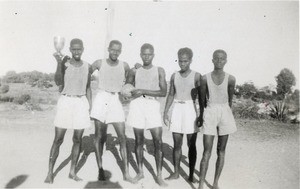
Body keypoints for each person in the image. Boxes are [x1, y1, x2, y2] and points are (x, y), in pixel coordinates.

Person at [44, 38, 92, 184]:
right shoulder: (64, 64)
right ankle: (50, 173)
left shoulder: (87, 66)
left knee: (77, 139)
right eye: (74, 49)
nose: (77, 51)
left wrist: (89, 107)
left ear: (83, 49)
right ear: (70, 49)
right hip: (66, 101)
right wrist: (58, 63)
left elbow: (88, 87)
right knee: (58, 139)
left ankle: (72, 172)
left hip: (81, 102)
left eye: (79, 49)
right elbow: (58, 81)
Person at [90, 40, 133, 182]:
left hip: (115, 99)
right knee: (99, 136)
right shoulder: (98, 63)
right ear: (108, 49)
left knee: (122, 136)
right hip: (101, 97)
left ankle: (126, 173)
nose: (115, 52)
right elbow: (85, 74)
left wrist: (128, 86)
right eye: (113, 49)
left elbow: (131, 75)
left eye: (118, 50)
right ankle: (100, 170)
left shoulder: (124, 65)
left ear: (121, 51)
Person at [126, 43, 168, 187]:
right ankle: (140, 172)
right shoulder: (134, 71)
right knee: (139, 140)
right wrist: (127, 94)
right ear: (140, 54)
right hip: (137, 105)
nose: (146, 56)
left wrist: (142, 90)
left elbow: (163, 92)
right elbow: (127, 89)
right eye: (144, 54)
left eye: (149, 54)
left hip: (152, 105)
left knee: (158, 141)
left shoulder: (159, 70)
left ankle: (159, 175)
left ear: (153, 55)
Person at [197, 49, 237, 189]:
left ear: (226, 61)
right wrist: (201, 116)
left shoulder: (231, 78)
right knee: (206, 151)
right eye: (217, 58)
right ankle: (201, 185)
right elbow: (202, 99)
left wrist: (226, 113)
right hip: (210, 110)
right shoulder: (204, 78)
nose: (219, 61)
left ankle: (215, 183)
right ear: (212, 60)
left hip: (224, 111)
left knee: (221, 150)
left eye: (222, 59)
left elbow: (230, 99)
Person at [163, 47, 201, 182]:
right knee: (177, 144)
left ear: (190, 60)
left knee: (192, 144)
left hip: (191, 109)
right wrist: (165, 111)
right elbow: (171, 94)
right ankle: (176, 172)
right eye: (180, 61)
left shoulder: (197, 76)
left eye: (185, 61)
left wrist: (200, 115)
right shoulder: (174, 75)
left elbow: (202, 98)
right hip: (177, 109)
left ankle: (191, 175)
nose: (182, 64)